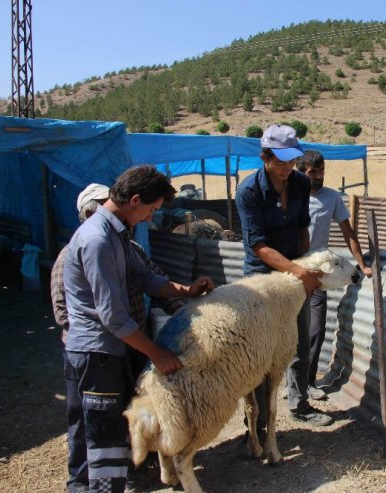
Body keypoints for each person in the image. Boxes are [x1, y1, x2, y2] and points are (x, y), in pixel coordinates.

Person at [62, 166, 214, 493]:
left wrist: (184, 291)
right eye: (151, 210)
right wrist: (157, 353)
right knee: (102, 439)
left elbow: (145, 278)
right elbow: (113, 317)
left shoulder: (117, 235)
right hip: (96, 353)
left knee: (113, 436)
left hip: (110, 352)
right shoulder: (97, 240)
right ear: (134, 200)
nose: (149, 218)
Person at [235, 124, 332, 427]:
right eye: (280, 162)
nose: (287, 168)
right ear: (264, 157)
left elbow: (302, 226)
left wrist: (304, 265)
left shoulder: (301, 183)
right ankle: (258, 421)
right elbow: (258, 245)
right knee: (261, 350)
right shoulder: (248, 191)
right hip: (262, 276)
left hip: (294, 269)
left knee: (299, 342)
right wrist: (299, 270)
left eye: (292, 161)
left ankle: (300, 404)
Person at [294, 150, 373, 396]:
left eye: (321, 171)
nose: (318, 176)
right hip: (292, 271)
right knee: (290, 330)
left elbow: (348, 233)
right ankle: (291, 383)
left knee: (315, 328)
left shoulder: (332, 198)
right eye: (312, 172)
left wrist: (361, 263)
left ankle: (307, 382)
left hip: (319, 275)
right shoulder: (290, 196)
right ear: (300, 172)